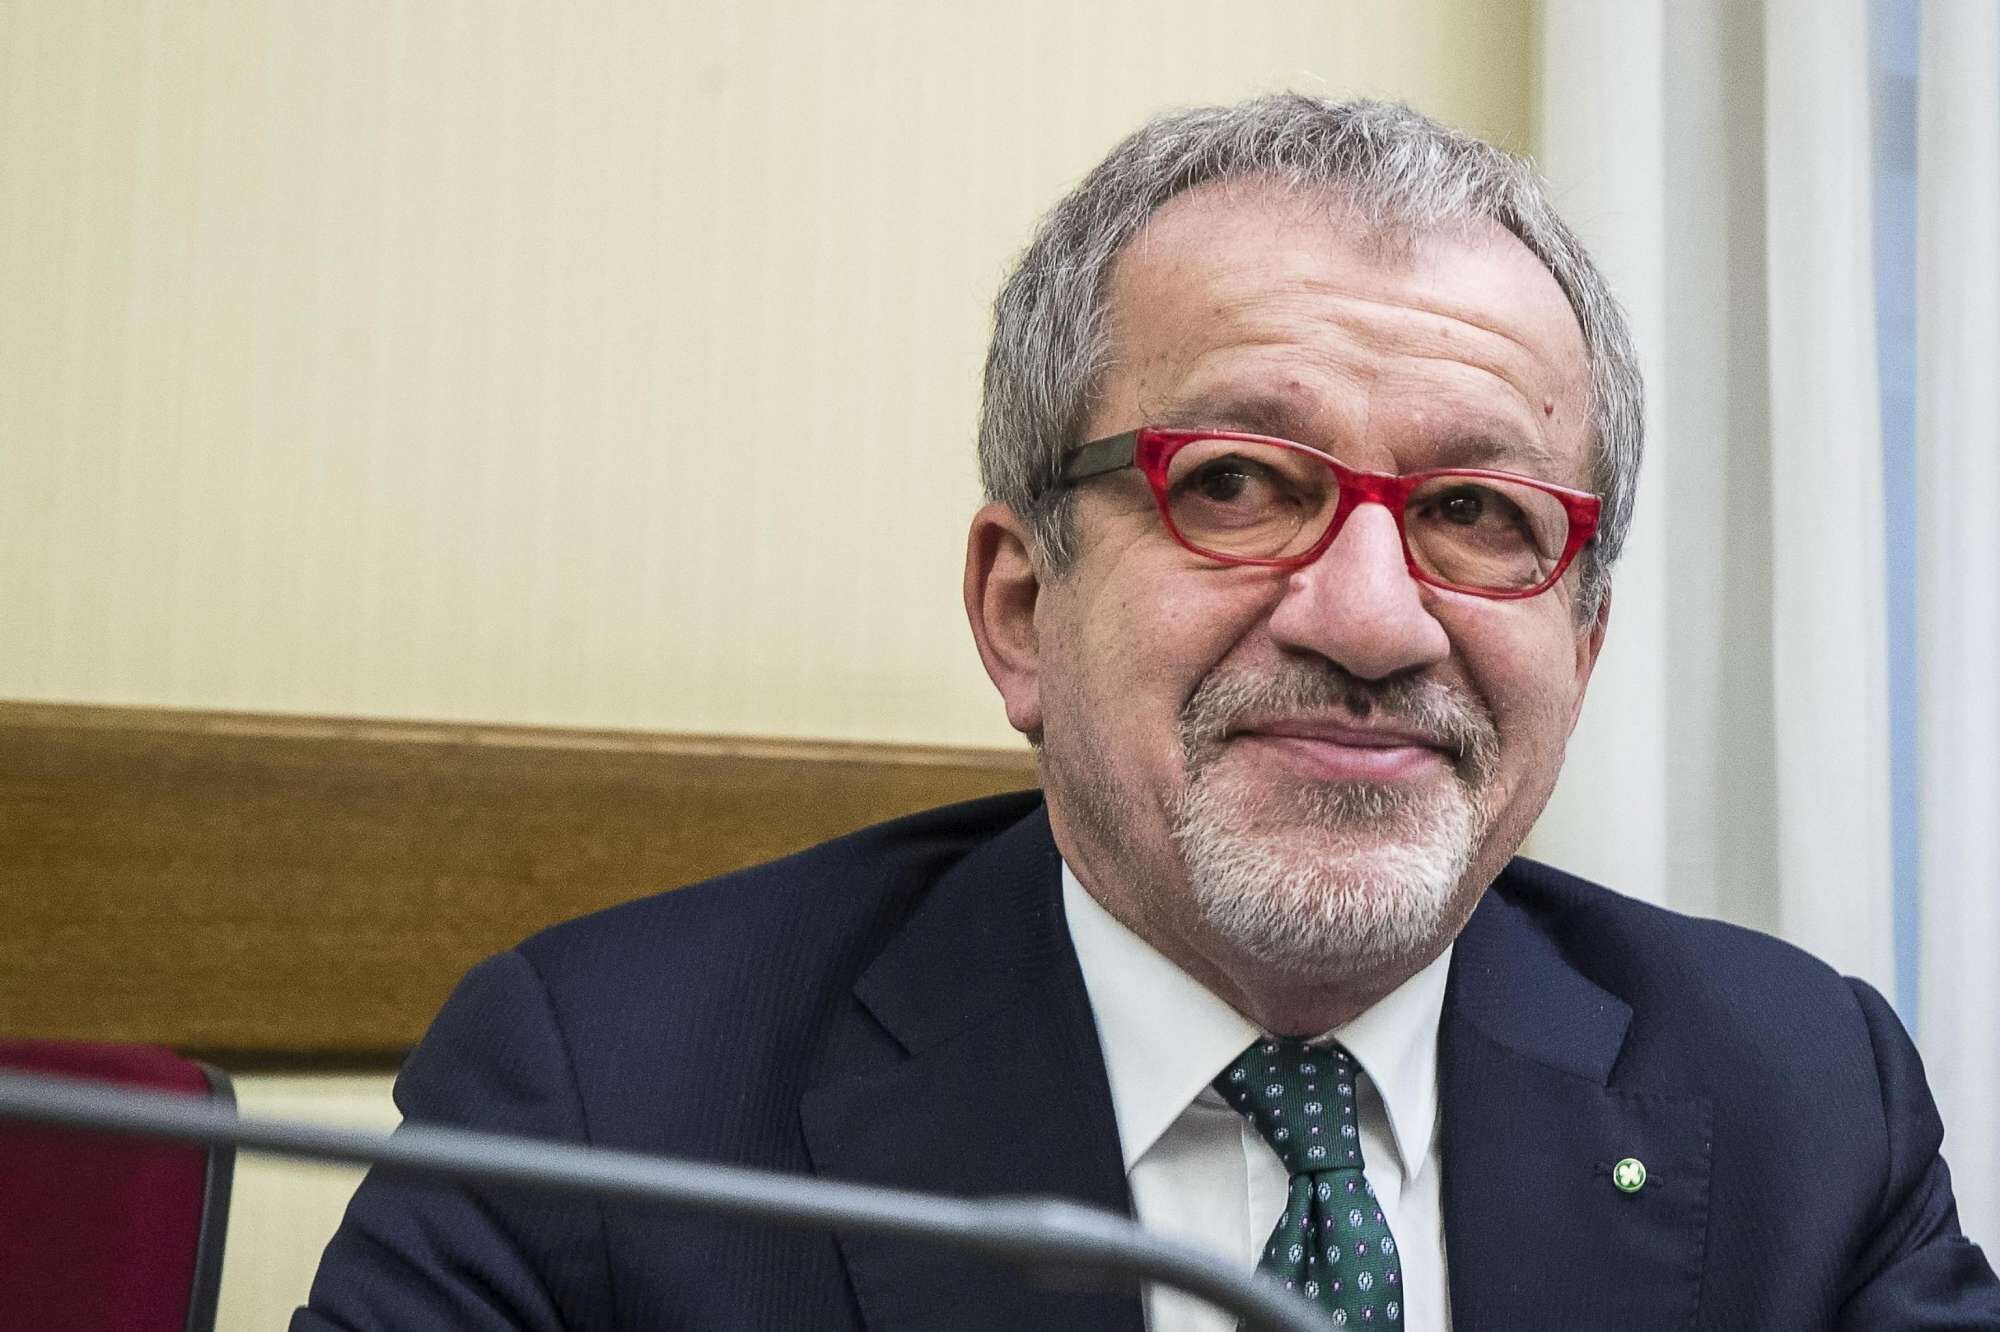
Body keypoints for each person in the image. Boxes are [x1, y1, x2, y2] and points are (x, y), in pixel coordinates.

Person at [297, 95, 1999, 1330]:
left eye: (1479, 513)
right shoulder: (607, 1100)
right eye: (1241, 483)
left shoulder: (1799, 1099)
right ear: (1020, 608)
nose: (1372, 619)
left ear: (1585, 641)